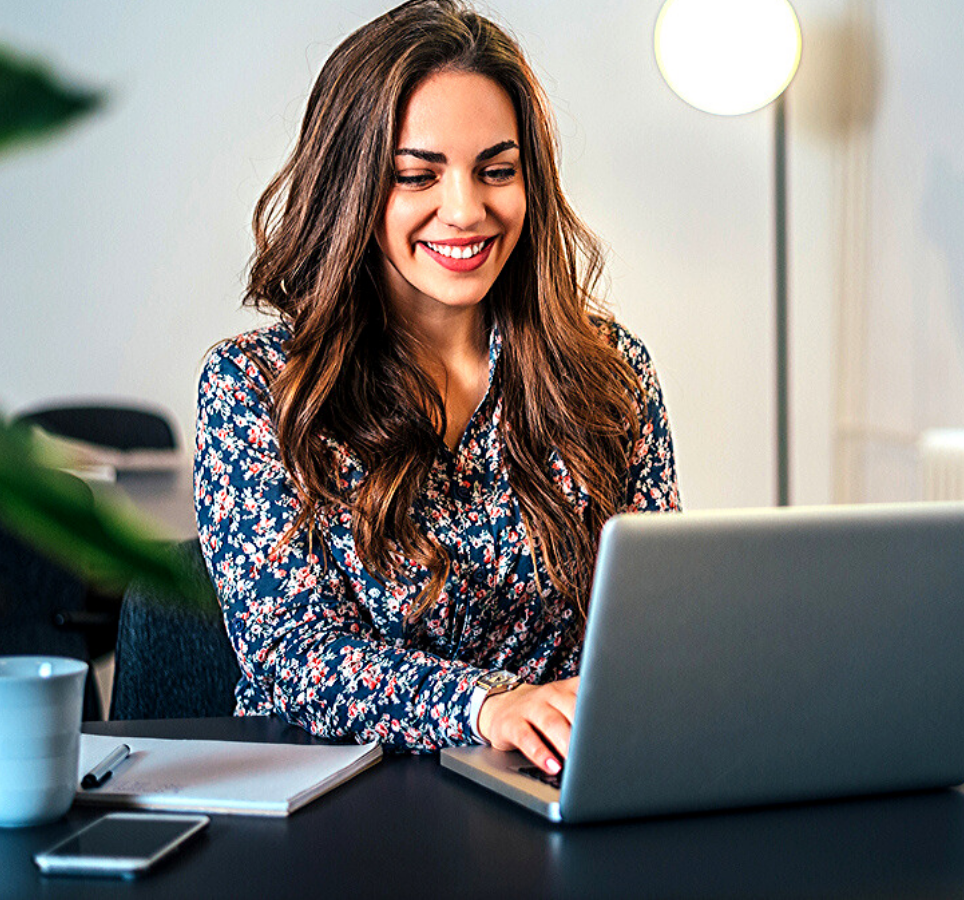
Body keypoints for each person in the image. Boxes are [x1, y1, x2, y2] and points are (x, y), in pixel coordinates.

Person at [194, 0, 679, 776]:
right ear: (349, 189)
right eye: (417, 175)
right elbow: (293, 656)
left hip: (557, 793)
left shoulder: (611, 373)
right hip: (338, 810)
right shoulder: (258, 384)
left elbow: (658, 623)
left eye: (497, 170)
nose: (466, 210)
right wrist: (487, 705)